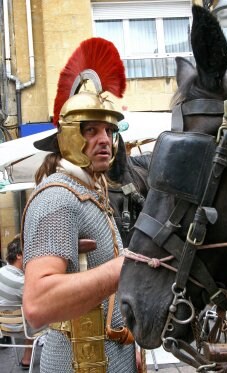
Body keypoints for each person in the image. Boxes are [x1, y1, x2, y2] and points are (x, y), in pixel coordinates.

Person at [22, 37, 141, 373]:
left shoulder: (91, 195)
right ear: (69, 136)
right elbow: (38, 303)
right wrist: (125, 268)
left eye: (108, 130)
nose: (104, 139)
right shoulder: (58, 198)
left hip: (110, 358)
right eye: (90, 130)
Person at [0, 235, 32, 370]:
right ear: (19, 255)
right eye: (28, 254)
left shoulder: (1, 272)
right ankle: (27, 358)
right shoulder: (23, 283)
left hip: (3, 327)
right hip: (20, 328)